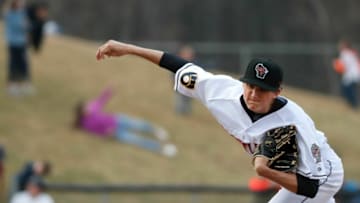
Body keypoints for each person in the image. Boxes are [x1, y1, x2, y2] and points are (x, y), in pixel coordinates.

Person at [95, 40, 344, 202]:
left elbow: (311, 187)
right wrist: (127, 49)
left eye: (263, 90)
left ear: (278, 91)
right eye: (251, 85)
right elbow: (179, 65)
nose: (254, 94)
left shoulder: (295, 123)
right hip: (291, 172)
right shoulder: (222, 93)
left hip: (320, 174)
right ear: (243, 82)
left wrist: (265, 171)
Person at [73, 87, 177, 158]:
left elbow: (100, 101)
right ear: (82, 113)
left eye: (87, 106)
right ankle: (162, 149)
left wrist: (108, 91)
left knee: (139, 124)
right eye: (85, 109)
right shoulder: (86, 124)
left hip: (118, 120)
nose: (88, 108)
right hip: (116, 132)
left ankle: (157, 131)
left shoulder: (92, 107)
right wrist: (107, 133)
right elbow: (97, 131)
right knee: (138, 140)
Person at [4, 0, 34, 96]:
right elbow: (17, 25)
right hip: (13, 43)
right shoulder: (10, 13)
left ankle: (25, 84)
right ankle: (12, 85)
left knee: (23, 64)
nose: (21, 4)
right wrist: (24, 25)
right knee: (13, 64)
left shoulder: (23, 13)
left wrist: (27, 26)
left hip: (22, 43)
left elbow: (28, 26)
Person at [333, 39, 360, 109]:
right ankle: (352, 104)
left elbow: (343, 66)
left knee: (348, 90)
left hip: (351, 75)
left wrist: (336, 64)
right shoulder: (351, 53)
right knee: (349, 90)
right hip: (354, 74)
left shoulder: (345, 53)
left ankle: (353, 104)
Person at [173, 45, 195, 115]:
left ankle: (187, 113)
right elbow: (174, 75)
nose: (188, 56)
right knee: (180, 101)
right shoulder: (178, 64)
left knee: (187, 102)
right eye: (186, 54)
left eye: (190, 54)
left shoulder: (193, 66)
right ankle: (179, 113)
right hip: (180, 87)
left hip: (190, 88)